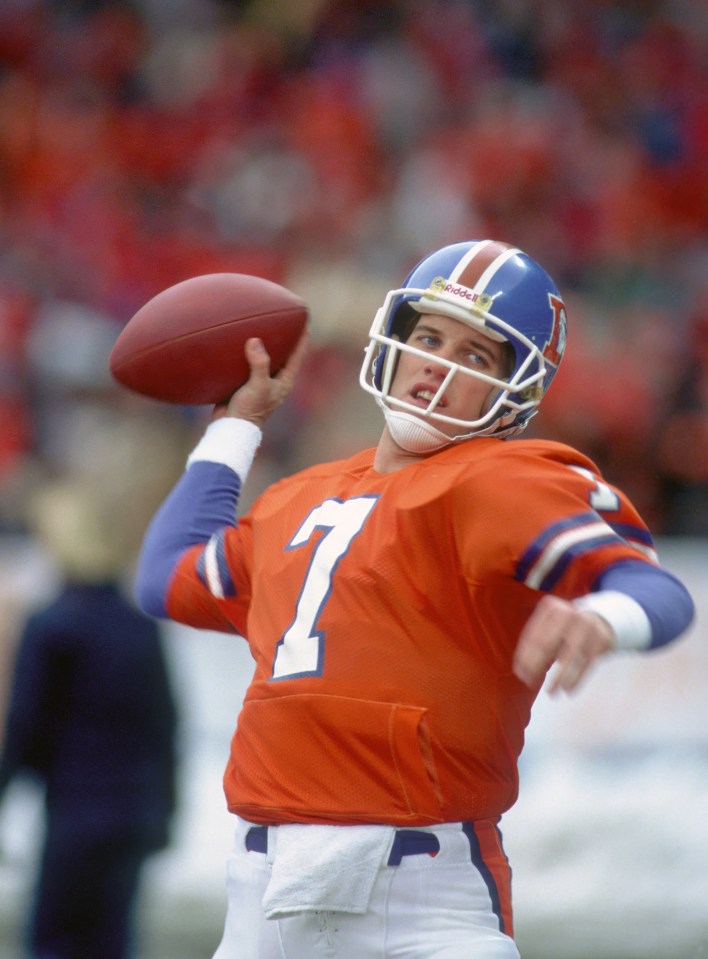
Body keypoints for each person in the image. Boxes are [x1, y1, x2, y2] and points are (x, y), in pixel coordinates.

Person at [134, 239, 694, 959]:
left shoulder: (501, 480)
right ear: (393, 340)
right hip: (259, 902)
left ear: (515, 386)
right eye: (429, 336)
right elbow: (165, 577)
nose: (440, 364)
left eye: (477, 355)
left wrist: (600, 615)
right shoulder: (294, 499)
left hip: (422, 901)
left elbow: (653, 587)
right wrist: (236, 425)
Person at [0, 481, 179, 959]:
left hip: (73, 812)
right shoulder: (138, 626)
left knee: (56, 939)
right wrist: (164, 810)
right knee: (112, 940)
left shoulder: (53, 625)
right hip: (130, 814)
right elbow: (165, 724)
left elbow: (26, 725)